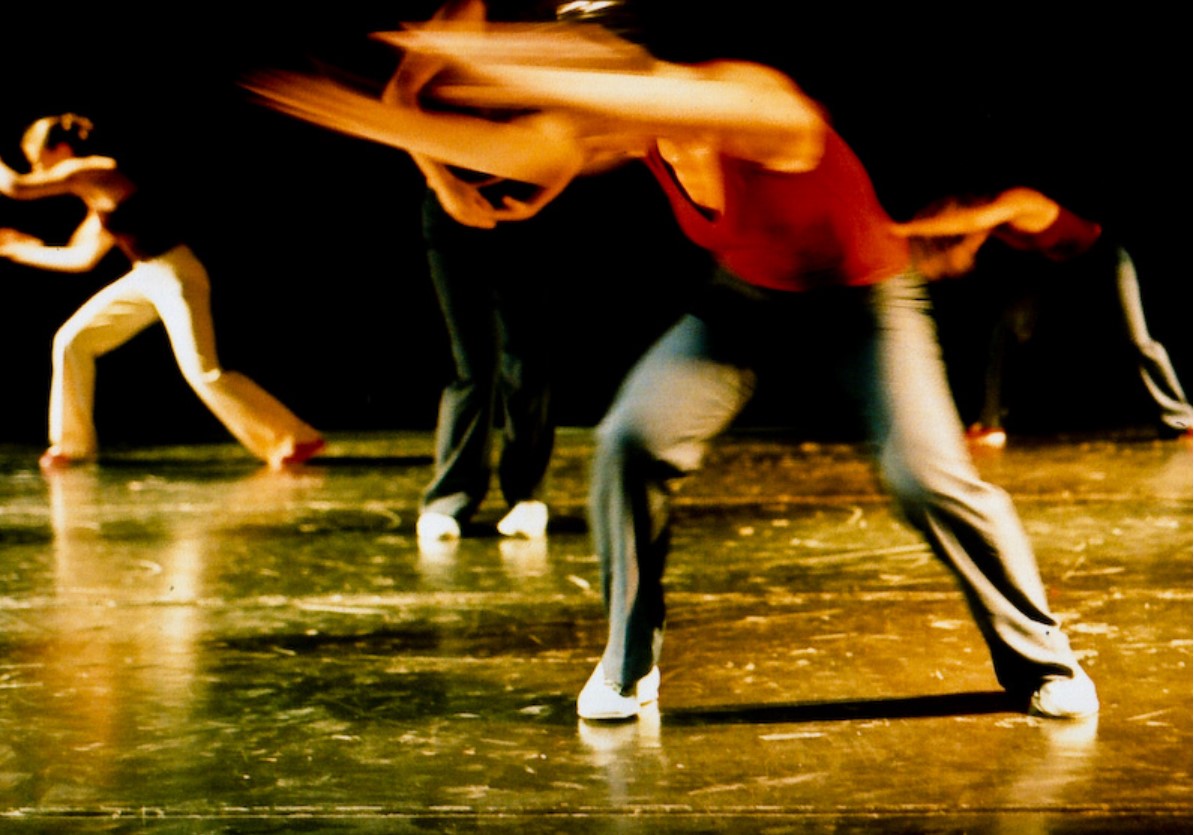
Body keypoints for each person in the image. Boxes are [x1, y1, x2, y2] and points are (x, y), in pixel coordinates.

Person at [245, 22, 1100, 722]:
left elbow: (614, 94)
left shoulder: (757, 100)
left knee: (925, 475)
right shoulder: (631, 127)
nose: (590, 126)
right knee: (628, 442)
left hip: (866, 305)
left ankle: (1042, 659)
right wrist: (360, 113)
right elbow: (505, 144)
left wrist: (487, 58)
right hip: (743, 308)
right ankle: (628, 659)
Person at [0, 114, 325, 469]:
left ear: (61, 149)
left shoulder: (97, 168)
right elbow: (81, 258)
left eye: (37, 159)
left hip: (176, 273)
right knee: (72, 341)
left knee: (202, 371)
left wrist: (17, 187)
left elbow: (17, 188)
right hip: (147, 277)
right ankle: (71, 446)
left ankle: (296, 437)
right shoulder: (99, 195)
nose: (36, 168)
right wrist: (20, 250)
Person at [895, 187, 1192, 448]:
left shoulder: (1018, 200)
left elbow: (970, 221)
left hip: (1101, 257)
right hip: (1051, 267)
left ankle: (1182, 419)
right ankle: (990, 424)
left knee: (1138, 339)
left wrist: (902, 229)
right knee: (1004, 332)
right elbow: (962, 255)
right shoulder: (991, 224)